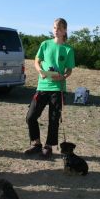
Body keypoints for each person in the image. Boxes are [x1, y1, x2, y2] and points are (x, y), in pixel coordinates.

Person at [24, 18, 75, 159]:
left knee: (54, 119)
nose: (56, 30)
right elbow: (37, 60)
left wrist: (63, 77)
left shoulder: (68, 49)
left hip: (58, 89)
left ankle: (49, 146)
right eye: (54, 27)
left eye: (59, 28)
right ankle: (36, 144)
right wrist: (40, 70)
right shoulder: (45, 44)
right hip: (42, 86)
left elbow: (69, 70)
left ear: (65, 30)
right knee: (31, 116)